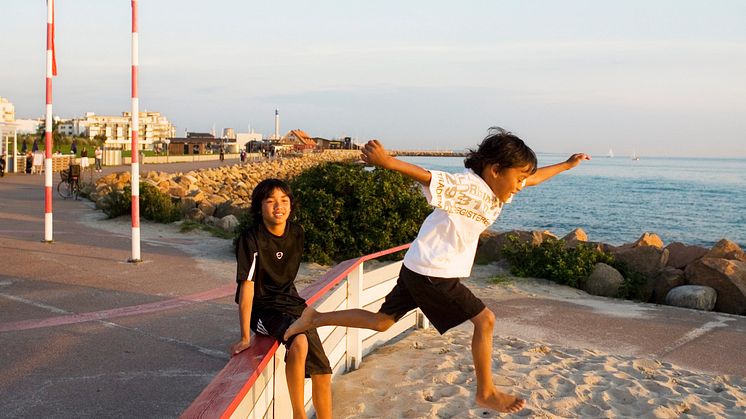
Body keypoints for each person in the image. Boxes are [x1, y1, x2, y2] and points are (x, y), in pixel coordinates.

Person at [284, 127, 591, 414]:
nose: (521, 185)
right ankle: (486, 391)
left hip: (419, 265)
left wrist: (566, 164)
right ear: (495, 170)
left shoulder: (499, 189)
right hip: (433, 271)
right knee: (485, 321)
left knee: (381, 322)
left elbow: (535, 178)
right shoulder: (468, 186)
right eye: (517, 177)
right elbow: (427, 177)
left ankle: (315, 318)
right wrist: (387, 162)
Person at [231, 179, 332, 419]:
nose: (279, 206)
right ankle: (299, 415)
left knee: (323, 371)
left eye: (284, 201)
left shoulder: (297, 232)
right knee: (299, 342)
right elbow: (246, 288)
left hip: (292, 304)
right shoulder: (251, 238)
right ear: (259, 207)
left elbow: (286, 277)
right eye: (271, 201)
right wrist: (245, 336)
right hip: (263, 309)